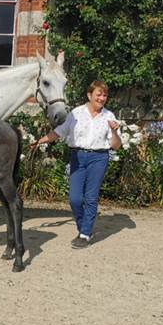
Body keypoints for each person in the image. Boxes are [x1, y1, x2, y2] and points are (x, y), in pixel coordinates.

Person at [33, 80, 122, 249]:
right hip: (78, 156)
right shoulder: (76, 113)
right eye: (99, 94)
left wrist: (114, 131)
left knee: (90, 197)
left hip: (99, 158)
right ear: (89, 95)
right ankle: (84, 227)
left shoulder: (109, 117)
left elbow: (116, 145)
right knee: (74, 198)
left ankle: (85, 234)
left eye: (105, 95)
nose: (102, 98)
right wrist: (40, 141)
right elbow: (59, 132)